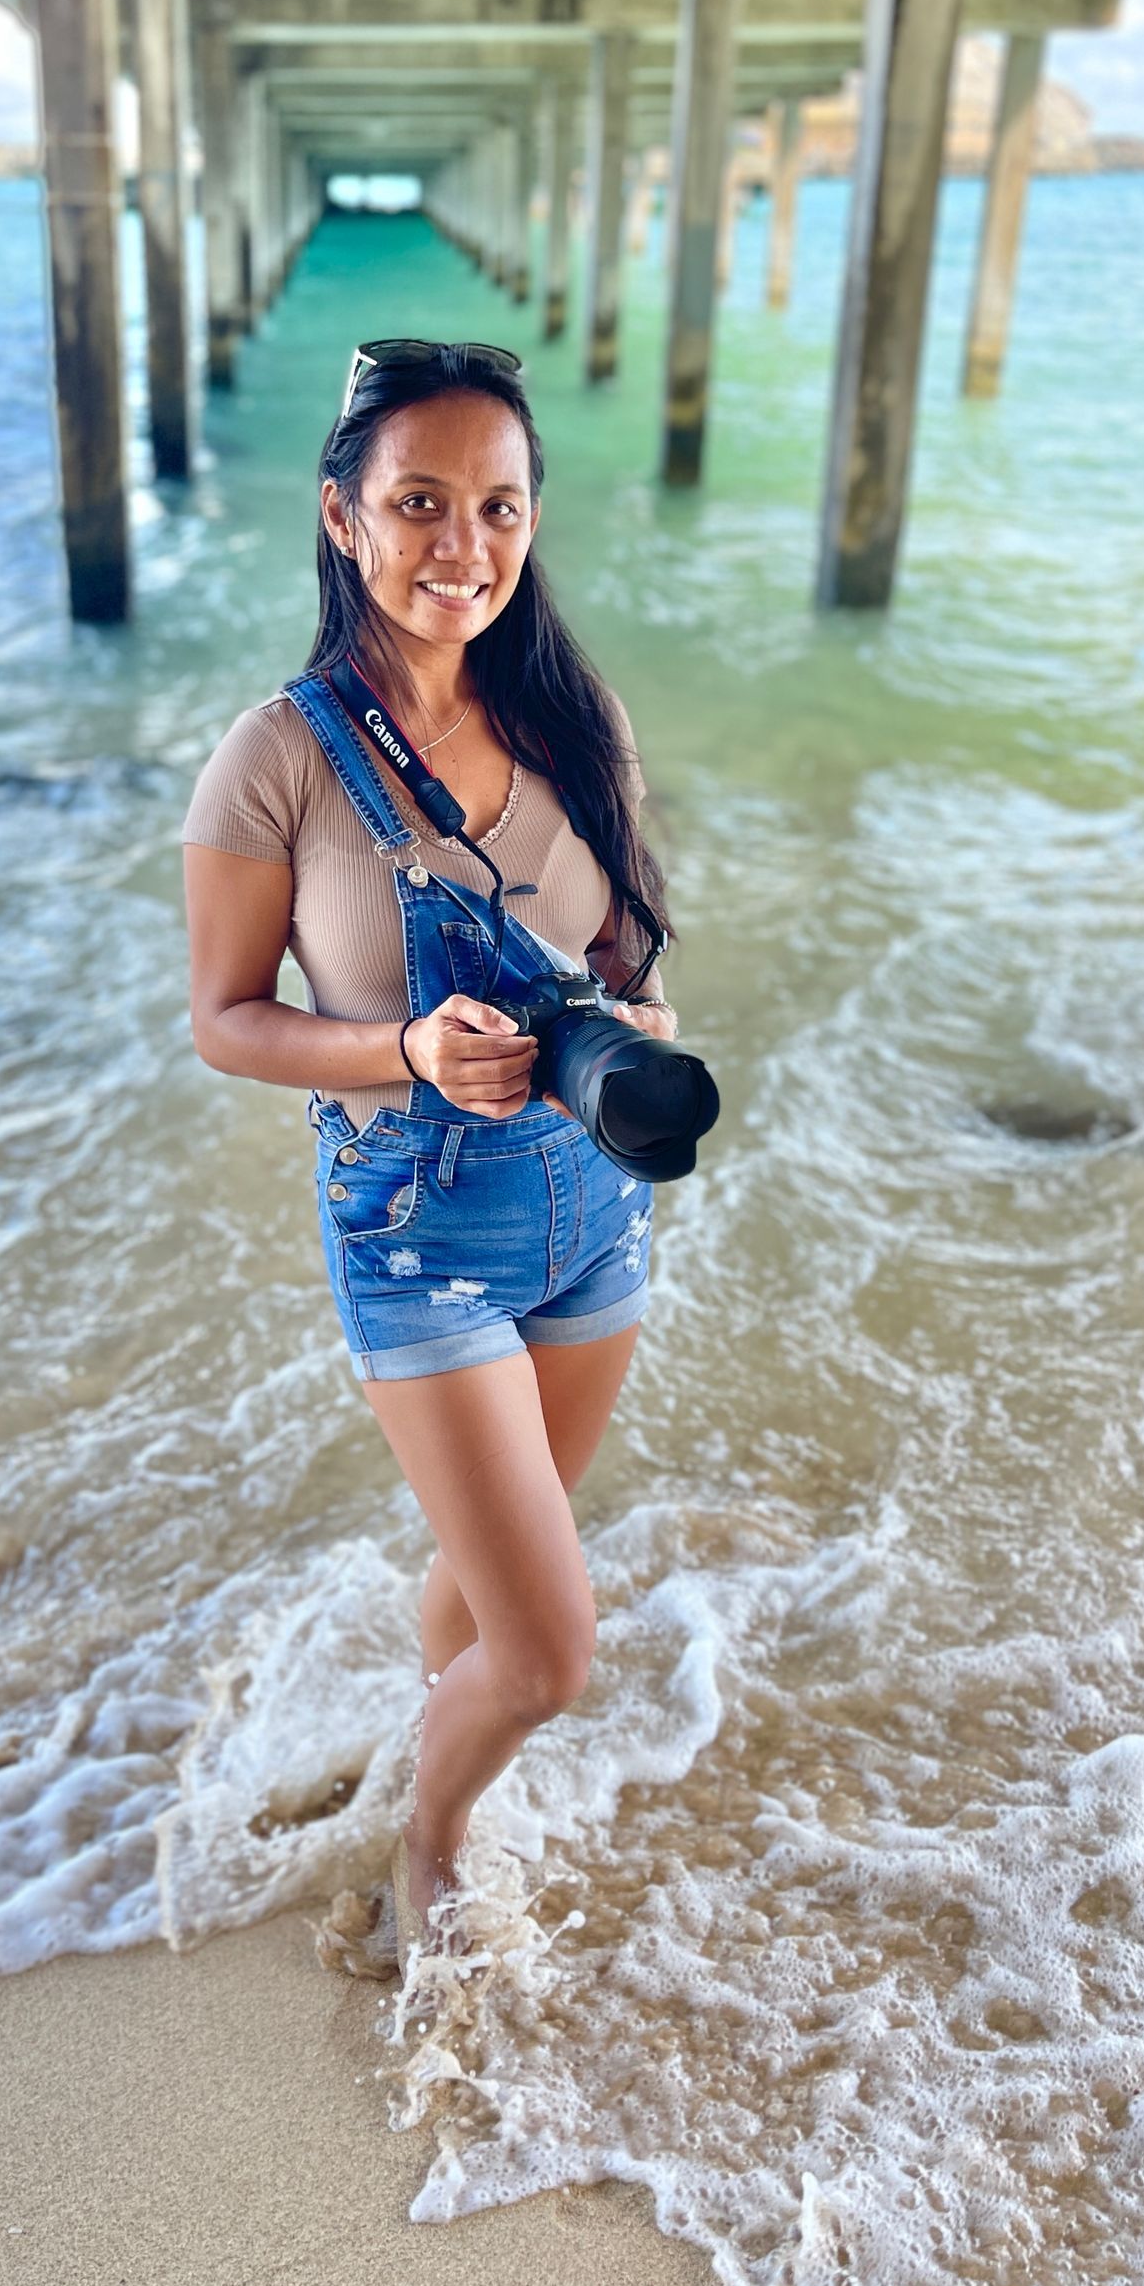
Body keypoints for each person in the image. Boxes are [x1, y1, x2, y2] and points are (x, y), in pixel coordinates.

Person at [180, 338, 681, 1972]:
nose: (461, 545)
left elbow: (627, 957)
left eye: (497, 507)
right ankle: (431, 1833)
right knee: (549, 1654)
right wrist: (407, 1052)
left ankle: (429, 1714)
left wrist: (646, 1024)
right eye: (418, 503)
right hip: (419, 1232)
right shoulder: (277, 758)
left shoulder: (571, 713)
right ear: (342, 518)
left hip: (595, 1219)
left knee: (487, 1586)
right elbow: (228, 1021)